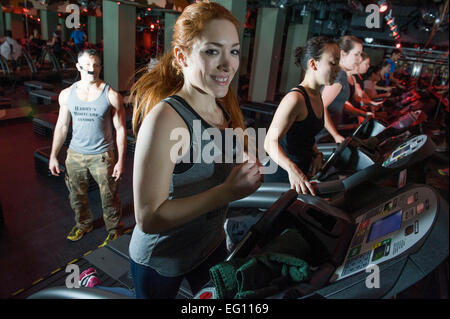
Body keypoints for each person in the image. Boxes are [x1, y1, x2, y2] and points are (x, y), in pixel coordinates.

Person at [128, 1, 262, 299]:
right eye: (212, 51)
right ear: (182, 56)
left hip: (208, 244)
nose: (228, 64)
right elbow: (148, 218)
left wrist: (248, 167)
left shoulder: (222, 107)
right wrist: (227, 192)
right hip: (162, 259)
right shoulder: (165, 120)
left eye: (234, 51)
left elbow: (223, 162)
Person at [49, 49, 126, 247]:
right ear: (79, 67)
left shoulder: (111, 95)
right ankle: (83, 224)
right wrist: (53, 155)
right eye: (88, 65)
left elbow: (120, 129)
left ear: (100, 66)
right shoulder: (67, 95)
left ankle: (114, 229)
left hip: (102, 155)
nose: (92, 69)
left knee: (109, 195)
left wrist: (120, 160)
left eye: (96, 65)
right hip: (75, 154)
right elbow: (62, 126)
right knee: (76, 194)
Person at [264, 36, 340, 195]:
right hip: (283, 175)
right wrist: (292, 169)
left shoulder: (317, 95)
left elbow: (304, 135)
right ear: (313, 64)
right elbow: (270, 142)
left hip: (303, 173)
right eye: (333, 63)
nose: (337, 69)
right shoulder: (295, 99)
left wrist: (317, 153)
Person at [320, 35, 374, 143]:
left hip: (327, 132)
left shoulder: (342, 74)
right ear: (342, 54)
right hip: (320, 133)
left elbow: (339, 104)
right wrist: (335, 135)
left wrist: (362, 114)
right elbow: (320, 107)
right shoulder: (339, 76)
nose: (359, 59)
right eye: (356, 54)